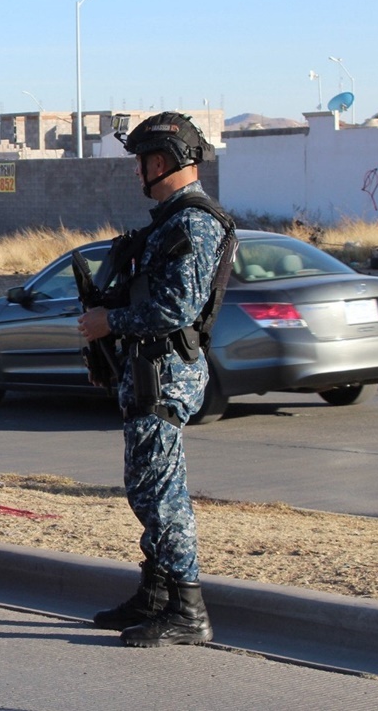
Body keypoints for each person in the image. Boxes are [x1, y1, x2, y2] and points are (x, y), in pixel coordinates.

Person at [76, 112, 236, 648]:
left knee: (162, 494)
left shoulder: (193, 223)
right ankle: (156, 595)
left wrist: (108, 322)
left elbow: (177, 306)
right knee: (147, 489)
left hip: (165, 375)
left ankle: (188, 610)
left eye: (142, 161)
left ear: (161, 161)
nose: (137, 172)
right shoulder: (171, 220)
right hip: (149, 371)